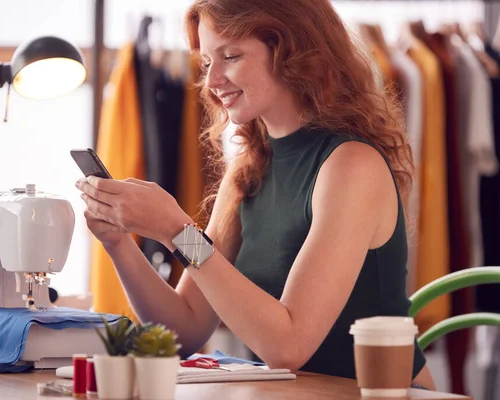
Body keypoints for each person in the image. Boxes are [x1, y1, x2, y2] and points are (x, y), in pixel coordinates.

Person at [76, 0, 435, 389]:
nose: (212, 82)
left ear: (292, 52)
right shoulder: (248, 172)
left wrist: (177, 232)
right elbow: (183, 331)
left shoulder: (351, 165)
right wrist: (118, 243)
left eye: (230, 56)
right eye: (208, 62)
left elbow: (288, 345)